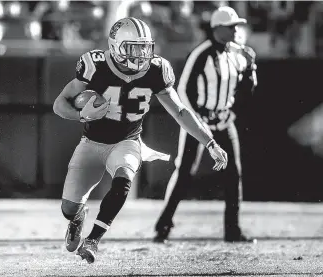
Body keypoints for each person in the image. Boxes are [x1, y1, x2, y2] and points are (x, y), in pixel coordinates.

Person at [53, 17, 228, 264]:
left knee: (123, 180)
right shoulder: (95, 65)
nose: (141, 54)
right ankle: (78, 216)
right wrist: (80, 114)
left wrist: (210, 142)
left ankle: (93, 240)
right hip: (91, 143)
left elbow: (180, 111)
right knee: (68, 208)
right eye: (134, 47)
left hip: (128, 141)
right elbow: (59, 103)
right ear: (115, 46)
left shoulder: (157, 70)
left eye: (145, 47)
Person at [153, 6, 257, 243]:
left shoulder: (236, 54)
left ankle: (232, 229)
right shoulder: (202, 53)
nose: (235, 31)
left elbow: (245, 91)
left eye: (236, 26)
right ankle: (164, 224)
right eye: (231, 27)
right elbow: (183, 89)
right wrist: (196, 122)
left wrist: (251, 67)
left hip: (223, 120)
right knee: (185, 173)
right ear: (218, 28)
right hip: (199, 122)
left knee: (233, 175)